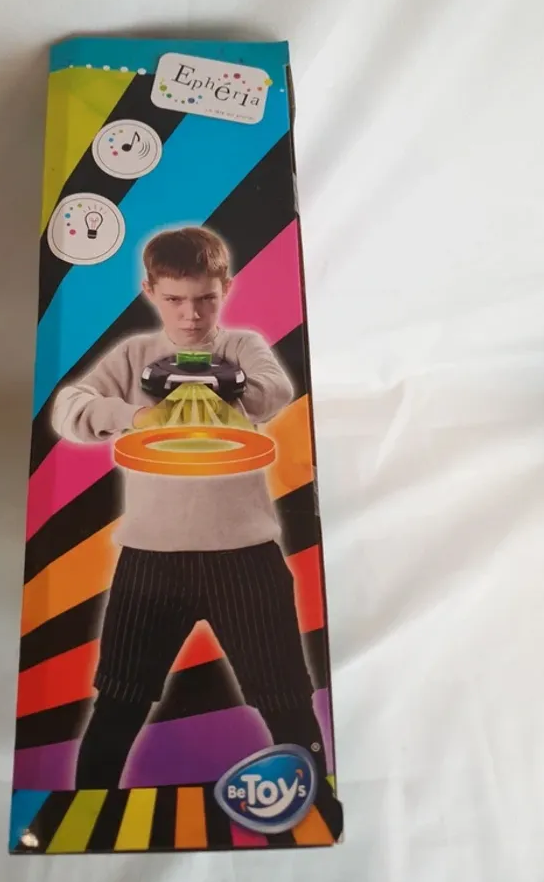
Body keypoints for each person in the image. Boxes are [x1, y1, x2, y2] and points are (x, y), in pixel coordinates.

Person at [52, 227, 341, 831]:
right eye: (176, 299)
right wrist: (133, 415)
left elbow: (275, 390)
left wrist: (221, 382)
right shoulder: (132, 357)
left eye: (205, 298)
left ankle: (316, 812)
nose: (191, 314)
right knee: (119, 700)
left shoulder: (242, 345)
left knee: (286, 697)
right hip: (149, 559)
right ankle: (87, 821)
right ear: (150, 291)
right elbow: (68, 407)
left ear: (225, 287)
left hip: (245, 555)